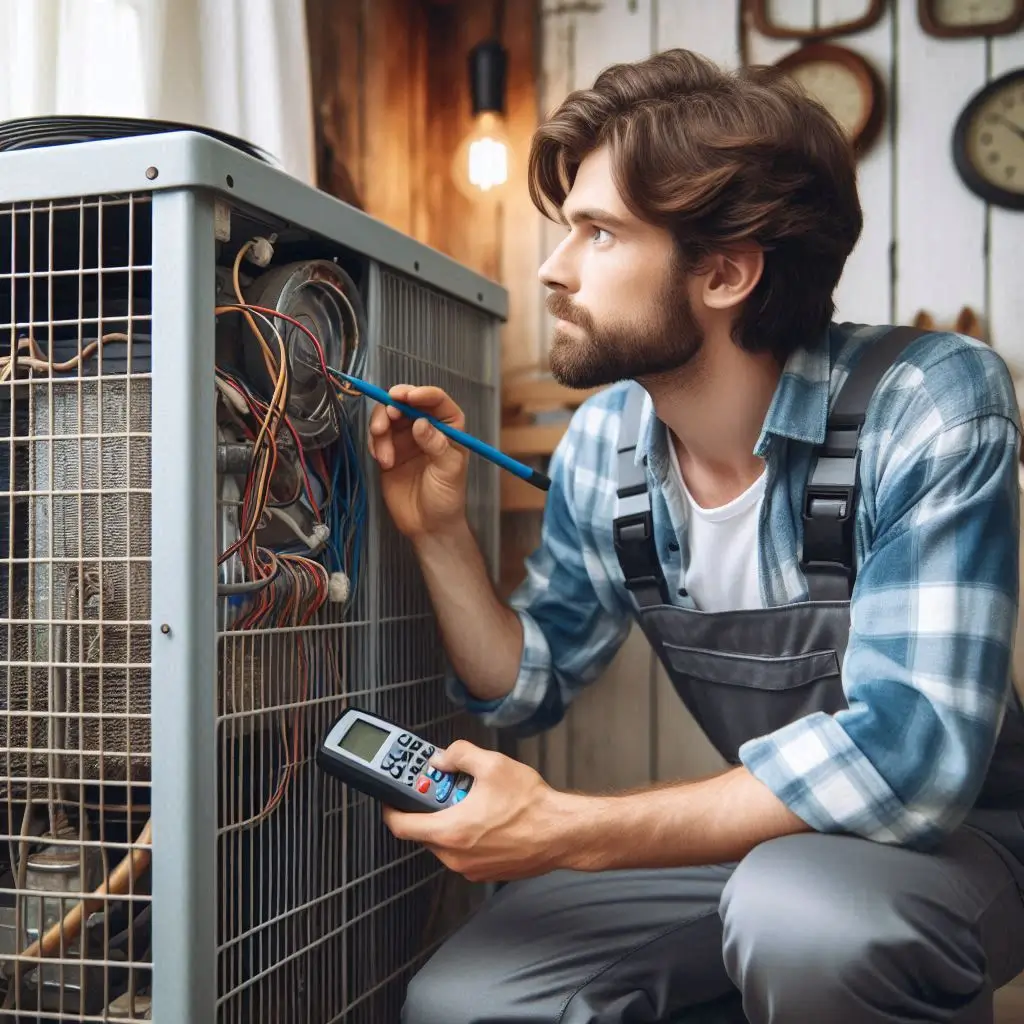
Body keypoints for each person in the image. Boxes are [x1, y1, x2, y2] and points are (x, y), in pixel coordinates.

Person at [367, 48, 1024, 1024]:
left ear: (722, 273)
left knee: (806, 921)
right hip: (763, 847)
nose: (550, 270)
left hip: (956, 842)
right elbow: (529, 677)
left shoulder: (929, 400)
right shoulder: (607, 446)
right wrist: (437, 532)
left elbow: (907, 760)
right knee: (467, 998)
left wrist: (565, 830)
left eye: (596, 232)